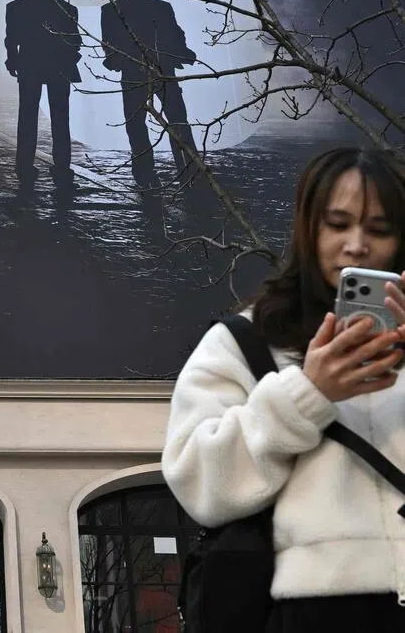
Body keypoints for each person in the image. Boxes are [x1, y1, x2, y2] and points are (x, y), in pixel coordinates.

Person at [163, 147, 405, 632]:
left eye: (378, 229)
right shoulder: (243, 342)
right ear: (307, 228)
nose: (356, 245)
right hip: (313, 607)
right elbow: (198, 483)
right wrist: (307, 395)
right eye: (337, 224)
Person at [100, 0, 198, 189]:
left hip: (132, 72)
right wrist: (183, 54)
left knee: (135, 123)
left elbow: (109, 43)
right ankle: (189, 166)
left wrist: (116, 61)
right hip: (163, 70)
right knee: (178, 119)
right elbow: (175, 35)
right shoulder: (162, 8)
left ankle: (144, 171)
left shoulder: (111, 10)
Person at [4, 0, 81, 187]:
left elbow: (11, 39)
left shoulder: (16, 7)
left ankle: (24, 164)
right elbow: (75, 40)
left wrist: (12, 59)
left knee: (27, 116)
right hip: (59, 66)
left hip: (30, 65)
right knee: (60, 117)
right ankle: (62, 165)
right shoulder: (67, 8)